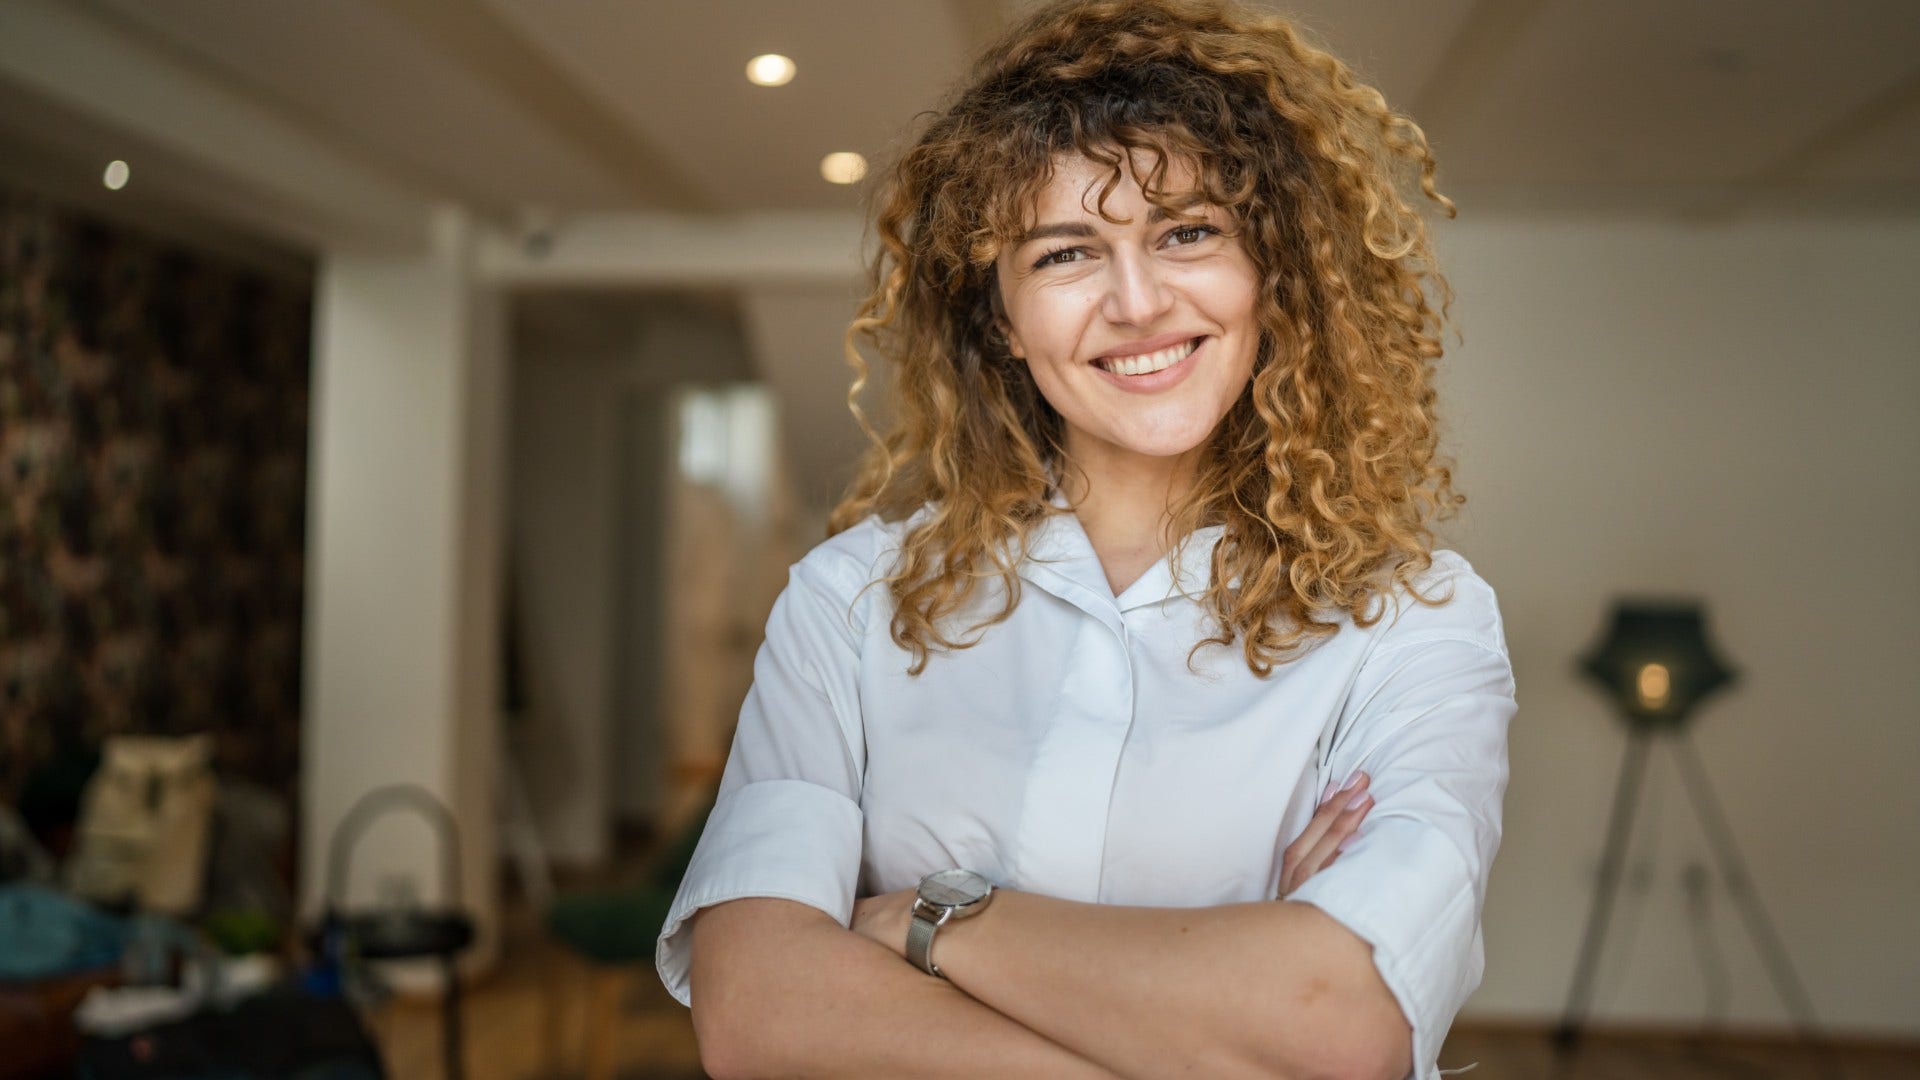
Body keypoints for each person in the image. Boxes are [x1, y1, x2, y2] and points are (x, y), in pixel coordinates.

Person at [655, 1, 1515, 1078]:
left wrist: (925, 923)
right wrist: (1215, 1028)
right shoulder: (849, 602)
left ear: (1272, 270)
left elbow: (1335, 1022)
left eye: (1187, 232)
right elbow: (758, 1016)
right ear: (1002, 320)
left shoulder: (1415, 619)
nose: (1139, 302)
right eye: (1066, 253)